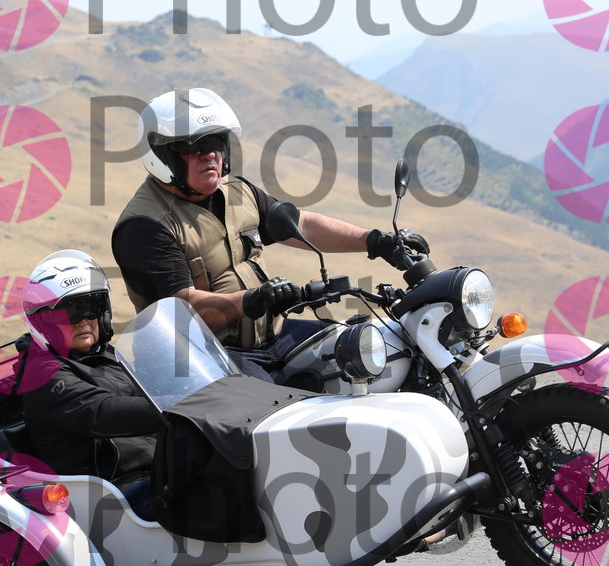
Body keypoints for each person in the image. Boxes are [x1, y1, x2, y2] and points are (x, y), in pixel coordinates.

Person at [110, 87, 428, 382]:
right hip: (203, 359)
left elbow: (301, 225)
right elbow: (181, 309)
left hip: (273, 337)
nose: (210, 155)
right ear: (161, 155)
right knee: (280, 414)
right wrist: (252, 300)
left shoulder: (238, 193)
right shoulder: (145, 225)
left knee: (372, 352)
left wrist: (377, 242)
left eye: (217, 143)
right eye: (194, 147)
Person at [14, 249, 163, 512]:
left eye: (92, 307)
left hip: (155, 469)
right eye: (70, 312)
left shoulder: (103, 354)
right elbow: (101, 411)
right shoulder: (42, 374)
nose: (84, 319)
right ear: (43, 321)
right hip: (109, 495)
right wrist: (175, 406)